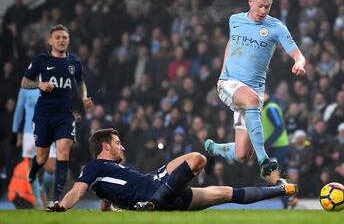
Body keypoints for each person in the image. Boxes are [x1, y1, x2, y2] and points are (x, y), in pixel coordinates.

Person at [45, 128, 297, 212]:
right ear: (104, 146)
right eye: (117, 142)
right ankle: (155, 201)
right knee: (197, 158)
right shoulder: (95, 166)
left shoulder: (107, 171)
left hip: (160, 190)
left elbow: (107, 196)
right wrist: (62, 206)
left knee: (224, 193)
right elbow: (77, 191)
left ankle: (281, 189)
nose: (122, 146)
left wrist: (108, 208)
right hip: (152, 189)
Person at [204, 0, 306, 180]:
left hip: (254, 91)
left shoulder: (277, 28)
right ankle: (264, 160)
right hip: (229, 83)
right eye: (259, 5)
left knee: (242, 154)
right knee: (250, 100)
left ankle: (212, 148)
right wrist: (222, 73)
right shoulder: (235, 20)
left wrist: (299, 63)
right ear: (250, 1)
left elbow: (298, 55)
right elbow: (231, 43)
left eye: (267, 6)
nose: (263, 10)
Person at [21, 24, 93, 203]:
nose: (61, 40)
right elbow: (24, 82)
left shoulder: (74, 62)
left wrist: (84, 97)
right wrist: (40, 84)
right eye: (58, 37)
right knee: (42, 157)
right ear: (50, 41)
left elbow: (80, 82)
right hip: (44, 114)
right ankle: (33, 171)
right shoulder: (41, 60)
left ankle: (55, 200)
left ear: (68, 41)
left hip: (64, 115)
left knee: (63, 153)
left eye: (64, 38)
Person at [12, 87, 56, 206]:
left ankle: (42, 189)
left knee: (51, 168)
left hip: (47, 130)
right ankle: (37, 200)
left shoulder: (51, 84)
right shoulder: (25, 89)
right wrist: (15, 131)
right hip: (29, 132)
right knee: (32, 168)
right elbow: (19, 110)